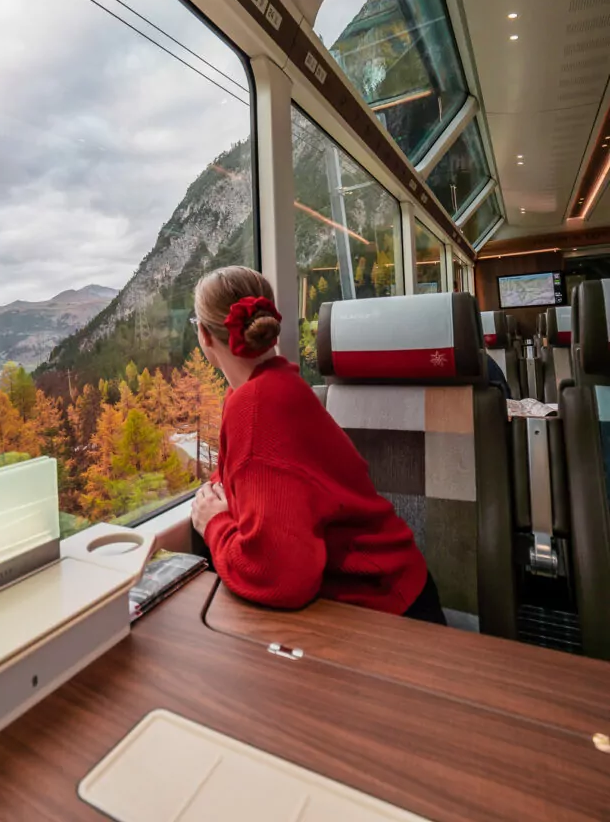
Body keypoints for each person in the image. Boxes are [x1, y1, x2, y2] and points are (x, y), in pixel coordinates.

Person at [189, 265, 446, 625]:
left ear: (203, 335)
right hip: (378, 596)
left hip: (383, 612)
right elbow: (238, 484)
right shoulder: (268, 388)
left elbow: (280, 576)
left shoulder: (258, 405)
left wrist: (215, 525)